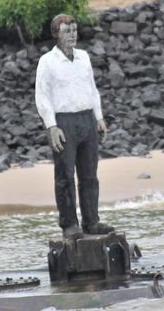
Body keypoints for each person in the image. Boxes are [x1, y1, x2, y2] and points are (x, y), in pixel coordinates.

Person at [35, 14, 115, 239]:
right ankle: (69, 224)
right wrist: (51, 126)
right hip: (64, 121)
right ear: (56, 34)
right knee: (65, 176)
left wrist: (99, 117)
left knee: (90, 175)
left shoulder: (84, 57)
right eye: (66, 30)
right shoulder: (47, 62)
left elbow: (92, 89)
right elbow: (42, 97)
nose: (72, 34)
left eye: (74, 30)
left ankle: (92, 221)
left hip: (86, 119)